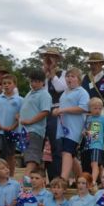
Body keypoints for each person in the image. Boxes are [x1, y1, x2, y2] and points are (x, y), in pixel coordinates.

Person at [53, 68, 89, 182]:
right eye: (67, 76)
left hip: (74, 129)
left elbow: (84, 108)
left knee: (67, 152)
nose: (69, 78)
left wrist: (63, 110)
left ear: (78, 79)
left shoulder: (82, 92)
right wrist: (57, 110)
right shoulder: (65, 92)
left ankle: (63, 179)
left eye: (73, 76)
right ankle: (81, 179)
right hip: (63, 128)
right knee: (70, 155)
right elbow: (62, 107)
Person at [19, 69, 52, 176]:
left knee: (32, 158)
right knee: (31, 157)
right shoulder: (30, 93)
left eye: (37, 81)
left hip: (35, 130)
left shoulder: (44, 94)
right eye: (32, 81)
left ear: (43, 82)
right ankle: (35, 182)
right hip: (25, 130)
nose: (34, 83)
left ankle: (24, 183)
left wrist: (30, 121)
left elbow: (45, 111)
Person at [0, 74, 22, 174]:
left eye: (9, 83)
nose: (6, 85)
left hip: (12, 131)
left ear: (15, 85)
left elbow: (21, 117)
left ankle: (10, 177)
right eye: (4, 83)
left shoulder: (20, 100)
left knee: (10, 155)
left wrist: (13, 127)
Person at [42, 47, 67, 181]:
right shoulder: (41, 74)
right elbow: (41, 90)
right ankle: (42, 178)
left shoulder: (63, 74)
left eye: (52, 57)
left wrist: (52, 73)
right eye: (48, 56)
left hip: (57, 112)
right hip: (43, 111)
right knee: (43, 147)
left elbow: (59, 88)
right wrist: (45, 73)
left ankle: (56, 177)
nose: (50, 59)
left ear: (57, 59)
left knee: (56, 146)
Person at [84, 97, 104, 185]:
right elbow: (88, 132)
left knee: (94, 164)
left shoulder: (102, 119)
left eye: (100, 108)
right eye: (95, 108)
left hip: (97, 145)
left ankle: (93, 182)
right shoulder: (88, 119)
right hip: (88, 145)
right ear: (90, 109)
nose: (97, 110)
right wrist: (85, 132)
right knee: (99, 165)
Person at [81, 52, 104, 117]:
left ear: (101, 64)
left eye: (96, 63)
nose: (93, 66)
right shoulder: (83, 78)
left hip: (101, 117)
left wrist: (100, 113)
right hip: (84, 116)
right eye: (91, 63)